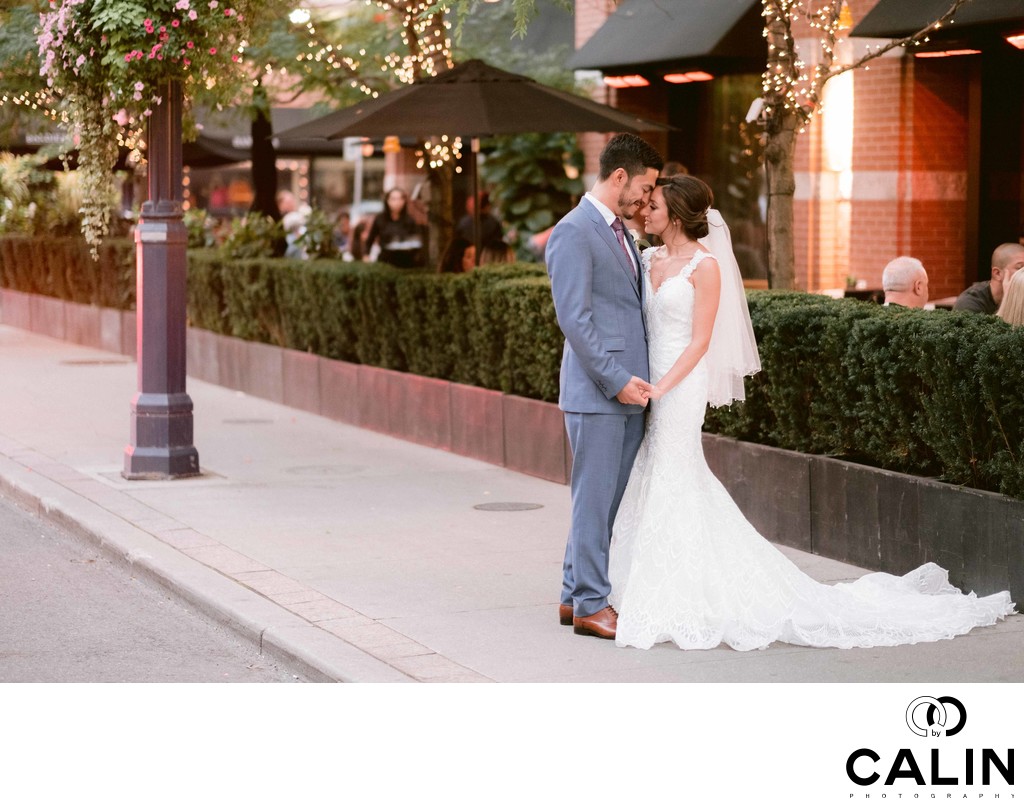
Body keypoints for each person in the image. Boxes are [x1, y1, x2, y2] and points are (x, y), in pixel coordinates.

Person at [607, 175, 1014, 650]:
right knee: (658, 471)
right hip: (646, 381)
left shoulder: (706, 266)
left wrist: (662, 387)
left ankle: (679, 593)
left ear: (675, 213)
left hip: (677, 385)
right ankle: (649, 581)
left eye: (653, 204)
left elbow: (700, 341)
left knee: (674, 470)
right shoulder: (649, 256)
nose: (644, 209)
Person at [546, 133, 662, 640]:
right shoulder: (574, 231)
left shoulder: (617, 231)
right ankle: (594, 605)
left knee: (602, 502)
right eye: (645, 186)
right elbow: (575, 319)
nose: (647, 198)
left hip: (627, 393)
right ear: (620, 177)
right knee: (594, 502)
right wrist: (617, 382)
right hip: (599, 394)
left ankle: (574, 595)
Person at [953, 243, 1024, 314]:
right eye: (1020, 268)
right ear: (997, 273)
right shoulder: (969, 303)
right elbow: (1000, 325)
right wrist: (1008, 300)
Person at [365, 188, 425, 268]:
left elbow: (416, 241)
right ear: (387, 201)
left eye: (399, 199)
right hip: (385, 260)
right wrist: (366, 255)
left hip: (406, 262)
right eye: (393, 199)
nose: (397, 202)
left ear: (404, 201)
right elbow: (370, 239)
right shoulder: (380, 219)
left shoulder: (410, 220)